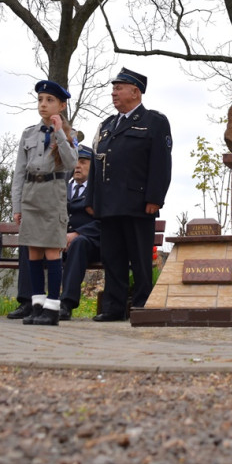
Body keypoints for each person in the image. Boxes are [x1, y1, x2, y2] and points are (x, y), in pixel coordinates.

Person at [84, 67, 172, 322]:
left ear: (135, 92)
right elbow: (97, 164)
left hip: (138, 203)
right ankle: (113, 307)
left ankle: (143, 306)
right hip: (109, 204)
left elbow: (161, 163)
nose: (114, 93)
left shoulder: (154, 122)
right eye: (113, 88)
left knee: (140, 260)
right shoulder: (107, 125)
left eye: (119, 88)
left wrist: (155, 198)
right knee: (113, 259)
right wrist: (91, 199)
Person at [12, 80, 77, 326]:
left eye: (49, 100)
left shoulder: (68, 135)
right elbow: (19, 172)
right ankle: (37, 305)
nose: (43, 105)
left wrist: (59, 132)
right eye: (40, 99)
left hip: (52, 193)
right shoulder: (28, 133)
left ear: (61, 105)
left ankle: (52, 308)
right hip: (31, 194)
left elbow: (71, 164)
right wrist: (16, 206)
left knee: (51, 250)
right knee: (33, 251)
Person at [59, 144, 102, 319]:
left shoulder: (100, 190)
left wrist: (77, 233)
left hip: (90, 243)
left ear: (93, 166)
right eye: (75, 161)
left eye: (83, 162)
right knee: (31, 242)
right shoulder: (62, 188)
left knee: (78, 243)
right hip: (58, 240)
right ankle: (31, 302)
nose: (77, 166)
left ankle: (66, 304)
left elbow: (104, 221)